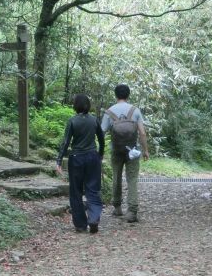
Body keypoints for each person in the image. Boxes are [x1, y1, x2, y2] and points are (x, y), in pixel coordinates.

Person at [56, 94, 105, 234]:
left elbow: (65, 142)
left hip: (76, 158)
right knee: (93, 189)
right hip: (92, 157)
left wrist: (59, 161)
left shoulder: (72, 121)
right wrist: (100, 155)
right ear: (88, 105)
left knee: (75, 191)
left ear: (75, 106)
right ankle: (94, 218)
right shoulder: (94, 120)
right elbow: (101, 141)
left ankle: (80, 224)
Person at [101, 84, 149, 223]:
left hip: (116, 150)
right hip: (132, 151)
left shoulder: (109, 111)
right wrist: (145, 150)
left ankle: (117, 207)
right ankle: (132, 211)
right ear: (128, 95)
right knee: (132, 179)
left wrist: (100, 151)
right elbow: (142, 133)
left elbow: (102, 132)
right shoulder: (135, 110)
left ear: (116, 95)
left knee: (116, 177)